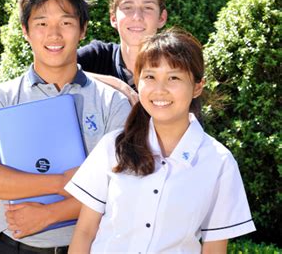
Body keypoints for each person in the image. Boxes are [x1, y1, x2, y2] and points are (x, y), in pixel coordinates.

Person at [0, 0, 132, 253]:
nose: (54, 34)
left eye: (66, 23)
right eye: (41, 23)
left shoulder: (111, 102)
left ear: (83, 30)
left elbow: (121, 187)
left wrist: (50, 214)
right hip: (14, 246)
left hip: (89, 246)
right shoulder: (1, 98)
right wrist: (61, 182)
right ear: (25, 31)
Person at [66, 28, 256, 253]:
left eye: (173, 77)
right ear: (138, 81)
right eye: (150, 77)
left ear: (197, 86)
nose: (160, 89)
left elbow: (214, 249)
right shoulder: (113, 146)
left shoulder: (219, 162)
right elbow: (85, 231)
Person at [78, 0, 168, 105]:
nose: (137, 16)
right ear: (113, 18)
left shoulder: (176, 68)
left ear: (161, 18)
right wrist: (117, 85)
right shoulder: (96, 57)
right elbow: (47, 73)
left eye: (147, 8)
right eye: (128, 7)